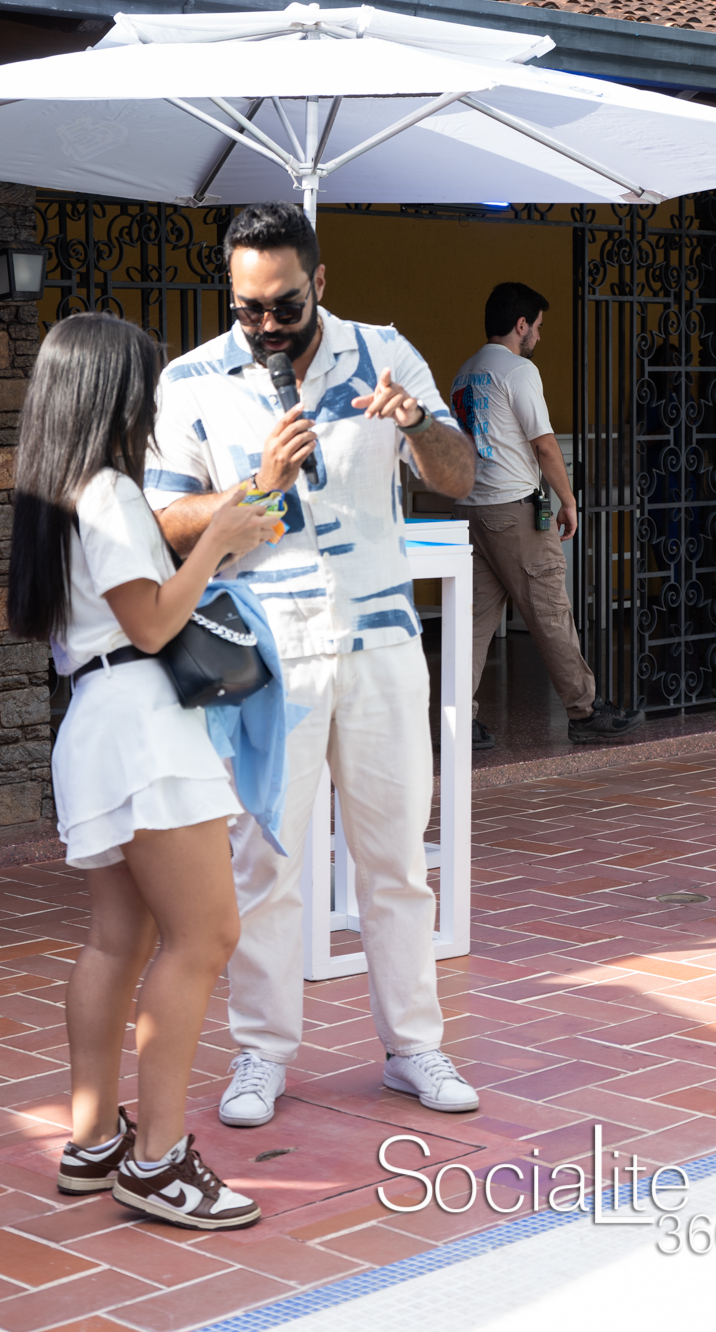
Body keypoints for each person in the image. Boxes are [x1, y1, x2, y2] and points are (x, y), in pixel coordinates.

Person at [145, 201, 481, 1127]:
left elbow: (461, 475)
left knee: (395, 857)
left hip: (380, 642)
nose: (266, 326)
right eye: (248, 307)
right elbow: (166, 522)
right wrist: (258, 484)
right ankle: (262, 1052)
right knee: (265, 862)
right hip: (268, 655)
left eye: (284, 306)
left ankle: (414, 1046)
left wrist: (417, 424)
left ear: (319, 281)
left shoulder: (385, 352)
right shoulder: (193, 380)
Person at [7, 312, 278, 1229]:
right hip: (142, 729)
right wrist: (217, 541)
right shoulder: (109, 492)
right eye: (143, 385)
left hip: (96, 721)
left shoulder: (52, 494)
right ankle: (160, 1160)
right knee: (205, 935)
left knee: (117, 940)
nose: (150, 404)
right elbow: (155, 625)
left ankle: (94, 1141)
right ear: (110, 393)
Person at [451, 282, 644, 748]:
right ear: (521, 325)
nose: (539, 335)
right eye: (537, 326)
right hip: (512, 511)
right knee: (551, 612)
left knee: (470, 623)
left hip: (472, 510)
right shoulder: (518, 370)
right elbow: (544, 443)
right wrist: (568, 501)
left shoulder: (465, 372)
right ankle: (585, 711)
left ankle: (454, 720)